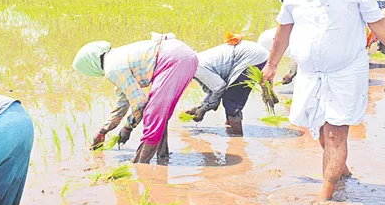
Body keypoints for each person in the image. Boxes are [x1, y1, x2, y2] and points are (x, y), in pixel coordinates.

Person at [262, 0, 385, 201]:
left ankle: (326, 198)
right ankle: (342, 171)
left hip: (346, 71)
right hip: (310, 74)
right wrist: (271, 65)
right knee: (319, 129)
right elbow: (284, 27)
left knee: (334, 134)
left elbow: (377, 23)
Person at [72, 33, 198, 163]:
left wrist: (128, 127)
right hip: (185, 56)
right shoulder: (116, 58)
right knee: (160, 113)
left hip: (173, 59)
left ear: (90, 65)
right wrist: (103, 131)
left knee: (152, 113)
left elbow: (140, 103)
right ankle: (162, 156)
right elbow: (122, 105)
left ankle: (140, 164)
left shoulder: (113, 68)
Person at [185, 36, 269, 135]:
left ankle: (237, 139)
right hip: (252, 54)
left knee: (232, 100)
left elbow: (219, 87)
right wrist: (200, 107)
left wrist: (204, 109)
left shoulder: (196, 67)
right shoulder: (193, 66)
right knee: (230, 96)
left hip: (253, 58)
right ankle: (230, 128)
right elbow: (212, 90)